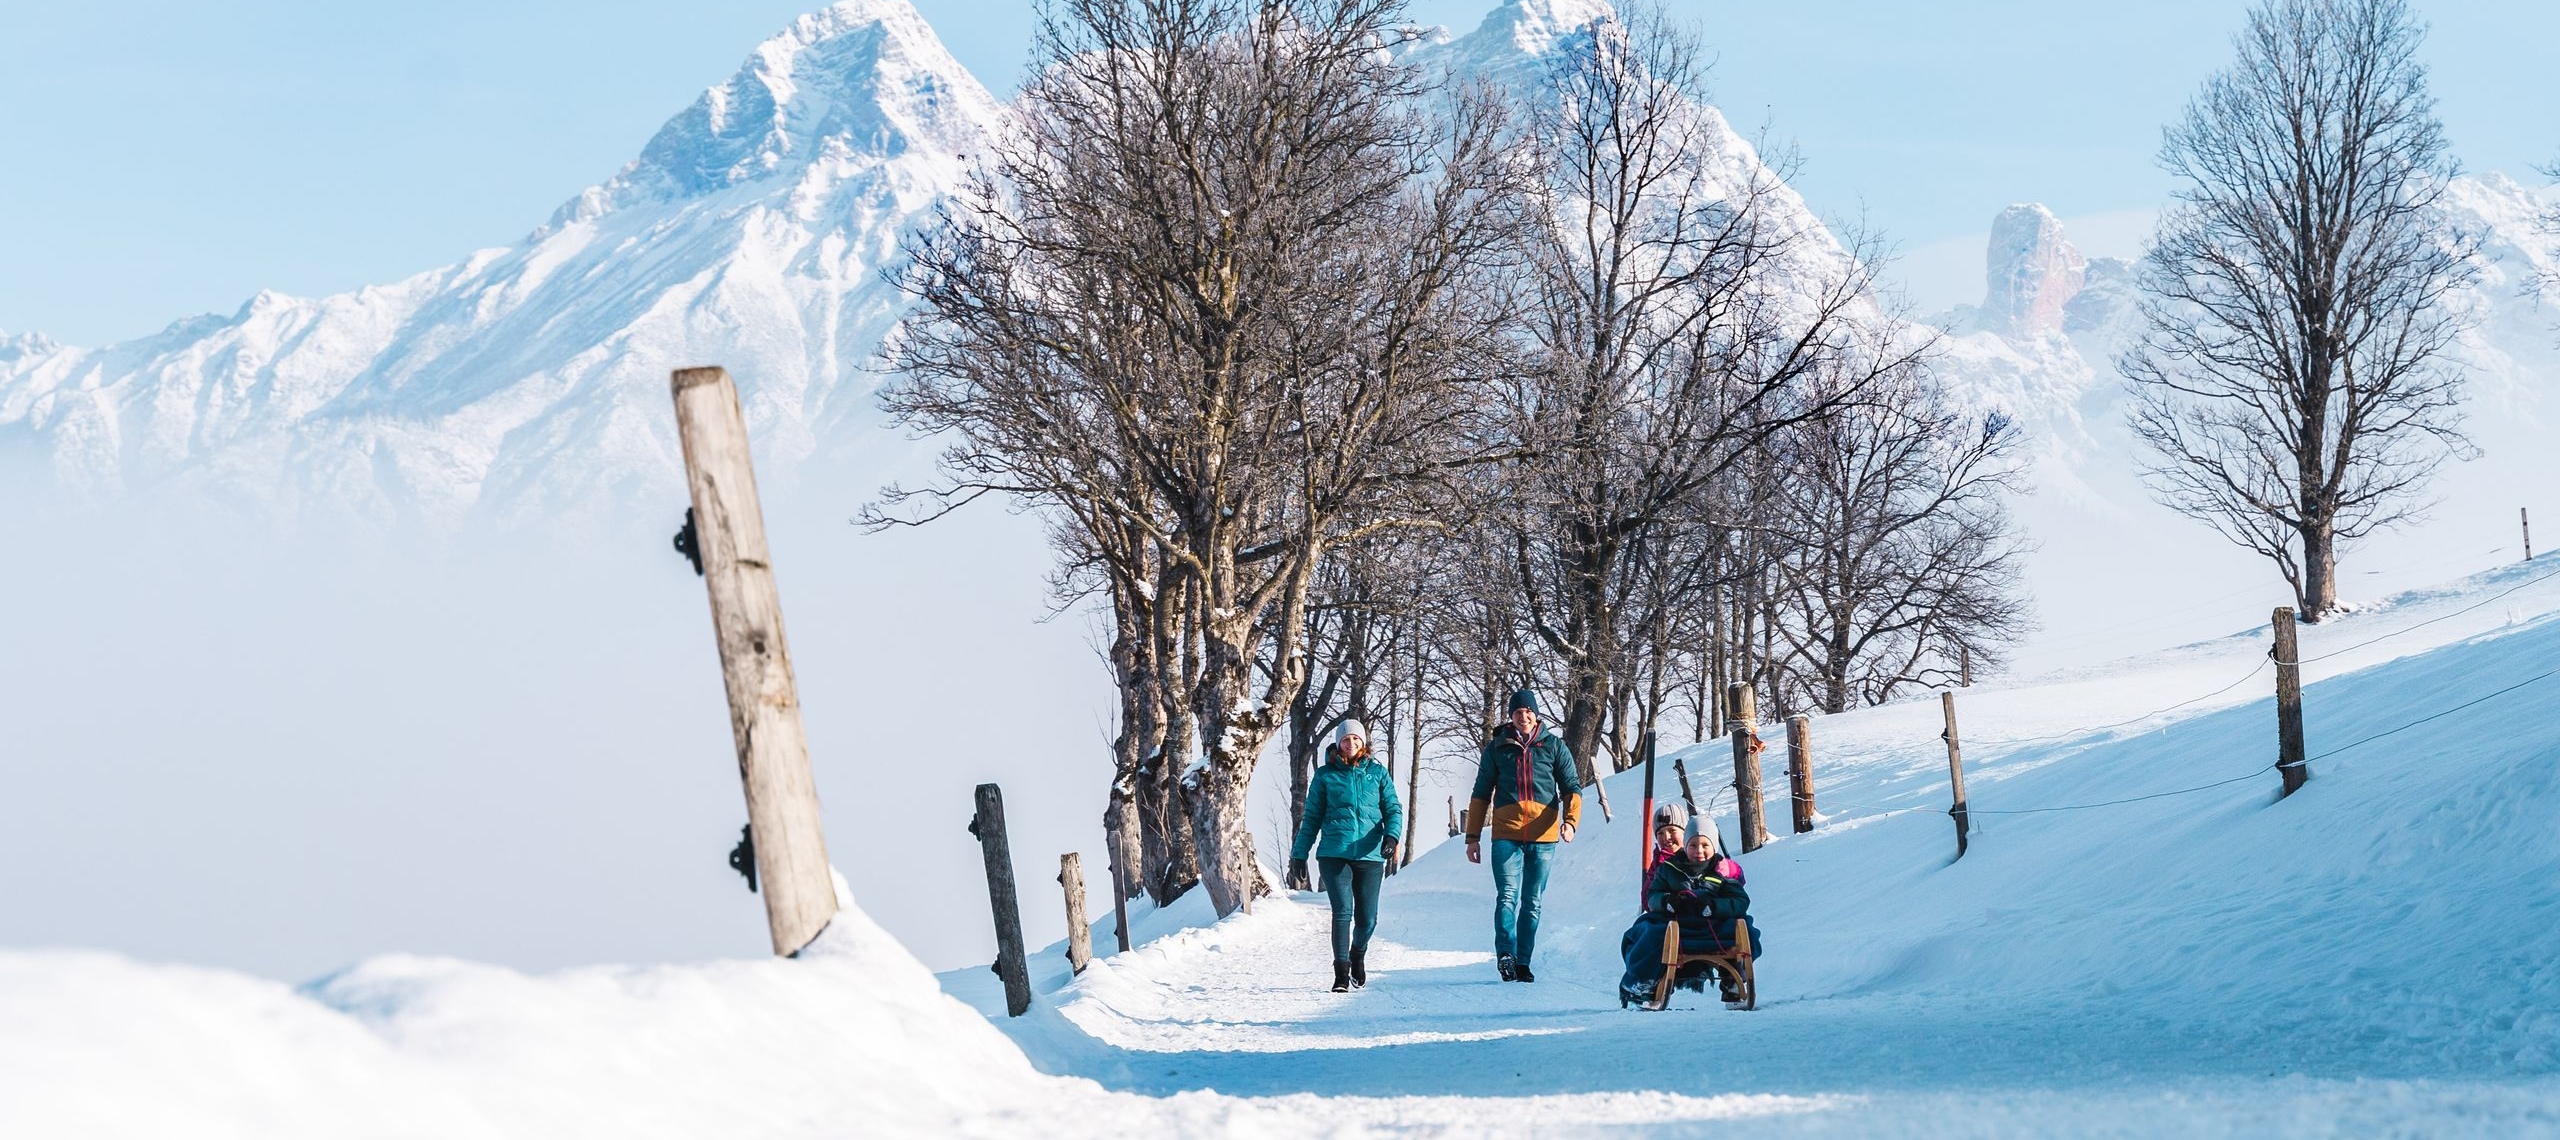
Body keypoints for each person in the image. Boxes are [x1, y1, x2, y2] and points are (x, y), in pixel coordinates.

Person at [1462, 688, 1580, 983]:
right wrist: (1472, 837)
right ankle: (1506, 954)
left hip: (1544, 836)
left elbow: (1571, 788)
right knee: (1507, 897)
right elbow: (1480, 794)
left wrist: (1570, 822)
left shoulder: (1553, 746)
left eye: (1528, 711)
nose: (1523, 716)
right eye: (1517, 712)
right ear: (1511, 717)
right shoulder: (1497, 747)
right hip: (1506, 834)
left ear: (1536, 714)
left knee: (1533, 901)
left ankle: (1524, 962)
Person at [1287, 719, 1404, 993]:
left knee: (1368, 919)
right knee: (1342, 912)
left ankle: (1357, 954)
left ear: (1363, 743)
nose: (1350, 744)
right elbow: (1312, 817)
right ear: (1338, 743)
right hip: (1334, 853)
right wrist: (1299, 854)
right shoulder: (1325, 776)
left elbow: (1393, 809)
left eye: (1355, 739)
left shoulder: (1377, 773)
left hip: (1370, 854)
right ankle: (1340, 973)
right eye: (1345, 740)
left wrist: (1392, 836)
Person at [1618, 825, 1757, 1007]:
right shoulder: (1669, 868)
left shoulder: (1722, 871)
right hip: (1678, 926)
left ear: (1713, 846)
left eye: (1705, 845)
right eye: (1693, 845)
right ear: (1685, 846)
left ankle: (1734, 976)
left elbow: (1740, 901)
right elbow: (1653, 896)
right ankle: (1644, 981)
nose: (1699, 850)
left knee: (1747, 929)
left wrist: (1714, 906)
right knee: (1645, 931)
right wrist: (1668, 901)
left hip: (1712, 928)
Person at [1618, 803, 1690, 963]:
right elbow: (1648, 896)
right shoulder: (1658, 864)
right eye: (1661, 833)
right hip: (1666, 915)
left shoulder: (1694, 857)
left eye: (1672, 831)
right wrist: (1664, 902)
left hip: (1693, 919)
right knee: (1636, 934)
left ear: (1685, 832)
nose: (1666, 837)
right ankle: (1642, 978)